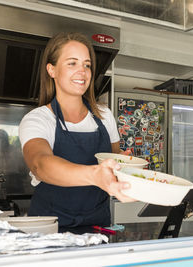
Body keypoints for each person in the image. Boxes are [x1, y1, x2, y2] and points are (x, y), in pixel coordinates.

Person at [19, 32, 134, 228]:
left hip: (97, 225)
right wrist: (95, 175)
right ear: (51, 69)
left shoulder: (105, 116)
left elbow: (114, 162)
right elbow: (40, 164)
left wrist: (128, 168)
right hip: (50, 228)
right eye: (72, 63)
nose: (82, 71)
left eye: (87, 65)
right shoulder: (38, 119)